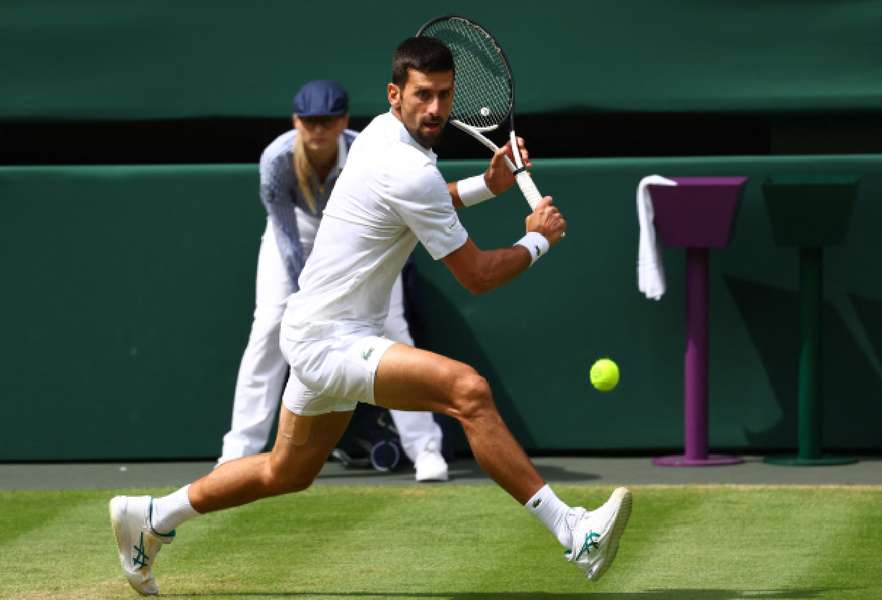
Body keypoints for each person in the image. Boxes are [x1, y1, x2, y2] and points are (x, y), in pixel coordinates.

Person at [110, 37, 631, 596]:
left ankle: (152, 517)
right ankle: (573, 531)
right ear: (394, 93)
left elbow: (424, 199)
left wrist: (489, 185)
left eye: (445, 96)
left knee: (284, 471)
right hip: (330, 339)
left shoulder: (381, 136)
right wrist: (537, 242)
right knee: (468, 390)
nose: (436, 109)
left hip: (315, 331)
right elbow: (476, 274)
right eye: (423, 95)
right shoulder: (405, 164)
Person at [218, 79, 448, 482]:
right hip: (298, 234)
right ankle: (238, 452)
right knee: (269, 325)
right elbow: (286, 237)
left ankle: (425, 449)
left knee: (393, 328)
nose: (318, 130)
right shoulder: (275, 160)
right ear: (296, 121)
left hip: (359, 236)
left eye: (327, 121)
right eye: (309, 121)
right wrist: (309, 298)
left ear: (343, 121)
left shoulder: (366, 151)